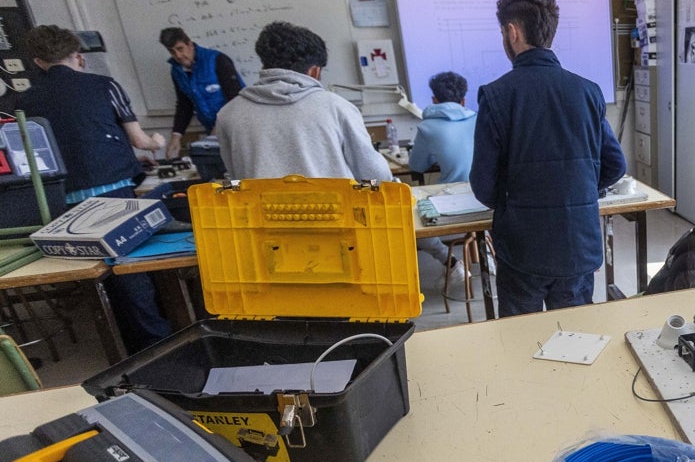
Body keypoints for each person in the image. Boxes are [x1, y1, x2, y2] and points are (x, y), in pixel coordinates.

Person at [470, 0, 625, 316]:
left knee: (521, 341)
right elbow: (615, 165)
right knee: (575, 340)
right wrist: (580, 189)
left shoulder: (496, 95)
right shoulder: (588, 91)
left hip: (522, 249)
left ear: (512, 32)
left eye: (502, 32)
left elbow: (483, 187)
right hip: (578, 247)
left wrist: (516, 201)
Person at [19, 25, 172, 352]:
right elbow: (141, 141)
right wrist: (157, 143)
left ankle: (126, 349)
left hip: (62, 201)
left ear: (37, 61)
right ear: (78, 56)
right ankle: (158, 346)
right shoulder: (105, 85)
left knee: (99, 275)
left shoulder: (23, 100)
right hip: (114, 194)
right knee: (133, 274)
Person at [214, 21, 391, 182]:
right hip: (335, 215)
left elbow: (236, 176)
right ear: (314, 71)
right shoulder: (337, 107)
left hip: (261, 215)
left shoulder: (228, 114)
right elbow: (376, 175)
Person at [409, 71, 477, 281]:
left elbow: (417, 166)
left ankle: (451, 262)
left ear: (434, 100)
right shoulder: (479, 119)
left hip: (453, 201)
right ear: (464, 100)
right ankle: (487, 255)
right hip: (484, 198)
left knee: (411, 220)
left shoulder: (427, 127)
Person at [158, 27, 243, 159]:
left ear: (190, 44)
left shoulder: (218, 60)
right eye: (172, 52)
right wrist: (176, 136)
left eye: (180, 49)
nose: (178, 56)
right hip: (212, 131)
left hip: (237, 128)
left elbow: (236, 99)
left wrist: (217, 130)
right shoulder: (176, 71)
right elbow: (184, 104)